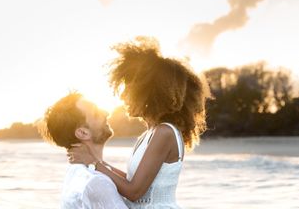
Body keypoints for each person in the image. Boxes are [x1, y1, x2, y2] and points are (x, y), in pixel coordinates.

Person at [69, 36, 210, 208]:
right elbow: (131, 180)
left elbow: (134, 192)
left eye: (128, 90)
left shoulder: (164, 132)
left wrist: (95, 163)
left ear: (148, 93)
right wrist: (99, 162)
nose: (122, 96)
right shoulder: (149, 134)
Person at [40, 92, 128, 209]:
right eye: (96, 114)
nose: (106, 113)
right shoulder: (98, 182)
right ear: (83, 133)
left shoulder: (75, 172)